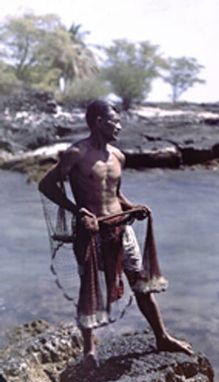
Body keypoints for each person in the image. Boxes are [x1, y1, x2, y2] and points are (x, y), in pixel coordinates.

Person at [38, 99, 193, 365]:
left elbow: (116, 193)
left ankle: (162, 336)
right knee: (89, 289)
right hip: (91, 232)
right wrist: (78, 211)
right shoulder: (76, 153)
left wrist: (132, 208)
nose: (119, 126)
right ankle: (89, 350)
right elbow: (46, 186)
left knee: (142, 285)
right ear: (99, 122)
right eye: (115, 121)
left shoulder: (118, 156)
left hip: (121, 228)